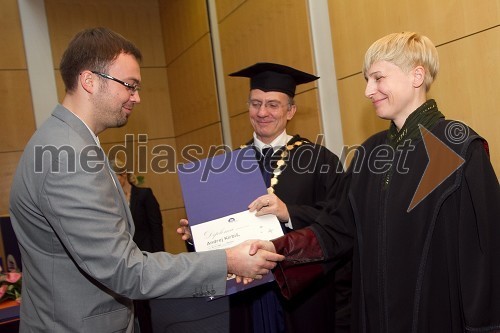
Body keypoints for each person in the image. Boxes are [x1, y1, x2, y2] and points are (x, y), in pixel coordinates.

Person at [8, 27, 283, 333]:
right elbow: (124, 270)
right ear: (89, 81)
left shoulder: (70, 142)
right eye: (129, 85)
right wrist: (227, 261)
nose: (136, 97)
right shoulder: (66, 157)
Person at [250, 32, 500, 332]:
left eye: (378, 78)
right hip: (375, 317)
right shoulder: (370, 152)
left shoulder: (457, 146)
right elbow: (337, 227)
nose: (369, 90)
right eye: (366, 80)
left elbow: (485, 253)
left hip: (439, 316)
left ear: (416, 75)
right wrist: (277, 248)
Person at [178, 62, 351, 333]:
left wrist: (288, 213)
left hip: (302, 294)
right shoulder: (228, 166)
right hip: (248, 293)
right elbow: (221, 235)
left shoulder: (320, 160)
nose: (262, 112)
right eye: (255, 103)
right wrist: (196, 237)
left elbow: (341, 224)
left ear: (290, 110)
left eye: (273, 104)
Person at [110, 157, 164, 333]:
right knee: (136, 307)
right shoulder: (112, 202)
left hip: (148, 257)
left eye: (114, 176)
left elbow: (156, 228)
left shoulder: (144, 194)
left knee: (151, 307)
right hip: (128, 261)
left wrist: (159, 258)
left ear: (124, 174)